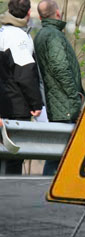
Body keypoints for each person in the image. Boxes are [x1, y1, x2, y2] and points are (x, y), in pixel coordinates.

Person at [34, 0, 85, 175]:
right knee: (60, 154)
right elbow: (60, 67)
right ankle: (50, 189)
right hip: (64, 103)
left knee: (58, 152)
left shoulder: (42, 34)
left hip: (56, 102)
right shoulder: (54, 35)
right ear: (57, 13)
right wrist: (74, 95)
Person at [0, 0, 44, 175]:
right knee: (13, 159)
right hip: (15, 107)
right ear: (27, 15)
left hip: (3, 103)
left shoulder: (2, 32)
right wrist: (36, 104)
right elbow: (25, 74)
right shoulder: (19, 37)